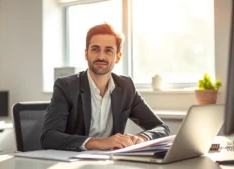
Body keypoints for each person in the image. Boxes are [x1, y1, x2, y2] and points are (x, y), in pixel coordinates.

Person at [40, 23, 170, 151]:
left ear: (118, 57)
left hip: (111, 162)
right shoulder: (66, 86)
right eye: (95, 49)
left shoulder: (126, 87)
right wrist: (98, 143)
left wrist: (142, 137)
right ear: (86, 54)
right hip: (72, 161)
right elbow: (48, 137)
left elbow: (161, 127)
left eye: (108, 50)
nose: (101, 56)